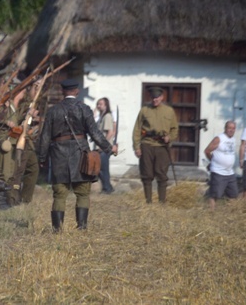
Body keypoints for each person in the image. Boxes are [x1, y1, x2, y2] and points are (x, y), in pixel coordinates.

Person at [38, 79, 116, 232]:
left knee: (59, 195)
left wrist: (41, 157)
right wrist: (108, 148)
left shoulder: (53, 111)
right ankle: (82, 228)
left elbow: (45, 136)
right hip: (80, 155)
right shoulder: (84, 109)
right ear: (76, 91)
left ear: (62, 91)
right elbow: (95, 133)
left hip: (59, 155)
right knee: (82, 193)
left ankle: (57, 230)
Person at [132, 87, 178, 203]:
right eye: (153, 97)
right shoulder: (144, 110)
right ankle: (148, 201)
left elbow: (174, 129)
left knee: (161, 174)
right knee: (146, 174)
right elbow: (137, 129)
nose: (155, 100)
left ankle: (162, 202)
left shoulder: (169, 111)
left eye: (157, 97)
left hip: (162, 146)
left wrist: (170, 137)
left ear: (162, 97)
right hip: (147, 144)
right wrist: (137, 147)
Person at [204, 121, 238, 209]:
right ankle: (211, 213)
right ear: (225, 128)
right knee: (215, 194)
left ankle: (232, 214)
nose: (231, 130)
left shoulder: (233, 140)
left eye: (233, 128)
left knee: (233, 194)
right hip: (218, 171)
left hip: (230, 172)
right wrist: (213, 160)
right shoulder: (219, 138)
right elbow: (207, 151)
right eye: (229, 128)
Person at [95, 97, 115, 194]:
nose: (98, 106)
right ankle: (108, 186)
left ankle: (107, 188)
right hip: (100, 147)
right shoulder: (101, 117)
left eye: (101, 104)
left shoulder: (107, 116)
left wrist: (103, 145)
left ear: (106, 105)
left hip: (104, 147)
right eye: (98, 104)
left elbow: (110, 132)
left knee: (103, 168)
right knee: (99, 168)